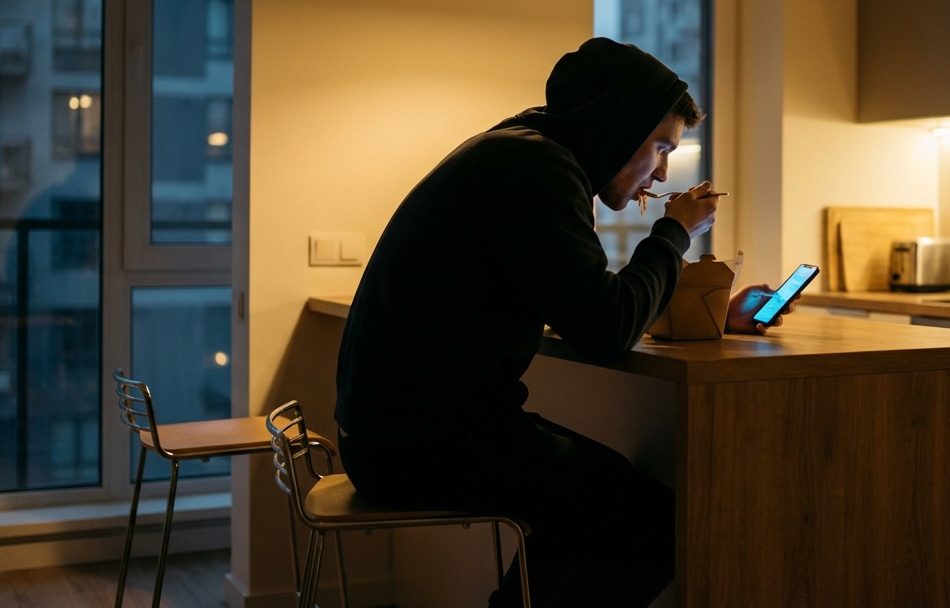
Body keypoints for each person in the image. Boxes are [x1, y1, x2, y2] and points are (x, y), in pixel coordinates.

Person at [334, 38, 798, 608]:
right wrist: (674, 233)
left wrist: (711, 312)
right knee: (654, 524)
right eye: (659, 147)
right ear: (616, 124)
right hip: (420, 445)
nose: (661, 173)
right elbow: (604, 329)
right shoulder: (538, 169)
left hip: (397, 433)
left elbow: (579, 300)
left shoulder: (519, 151)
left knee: (599, 499)